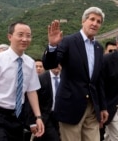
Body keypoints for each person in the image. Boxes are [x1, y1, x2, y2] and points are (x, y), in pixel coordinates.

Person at [42, 6, 109, 141]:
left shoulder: (98, 48)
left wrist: (103, 107)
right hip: (70, 106)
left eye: (98, 21)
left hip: (92, 107)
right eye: (92, 19)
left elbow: (98, 80)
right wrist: (53, 46)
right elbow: (50, 64)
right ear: (83, 21)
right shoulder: (69, 41)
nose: (95, 23)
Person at [0, 21, 44, 141]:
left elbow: (31, 91)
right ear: (10, 37)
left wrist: (38, 117)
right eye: (20, 35)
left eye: (28, 36)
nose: (25, 39)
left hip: (18, 117)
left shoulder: (30, 63)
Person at [26, 64, 62, 141]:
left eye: (60, 63)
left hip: (61, 118)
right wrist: (32, 122)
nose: (57, 66)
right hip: (45, 117)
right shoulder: (41, 79)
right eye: (55, 63)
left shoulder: (66, 78)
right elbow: (32, 101)